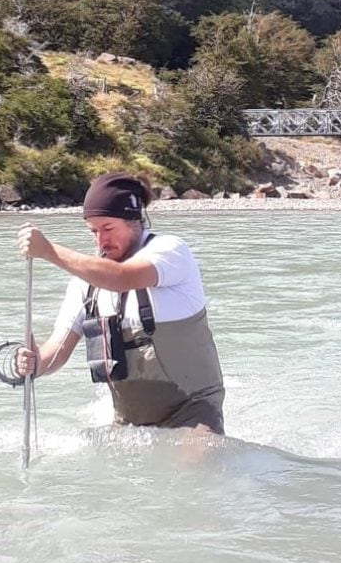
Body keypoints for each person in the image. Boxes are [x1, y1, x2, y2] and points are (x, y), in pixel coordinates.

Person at [14, 171, 225, 434]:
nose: (100, 241)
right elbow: (56, 352)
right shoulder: (84, 283)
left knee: (191, 474)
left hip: (194, 412)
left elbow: (124, 278)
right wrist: (34, 364)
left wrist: (48, 251)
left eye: (108, 229)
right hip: (129, 424)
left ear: (135, 220)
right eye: (93, 231)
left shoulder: (171, 251)